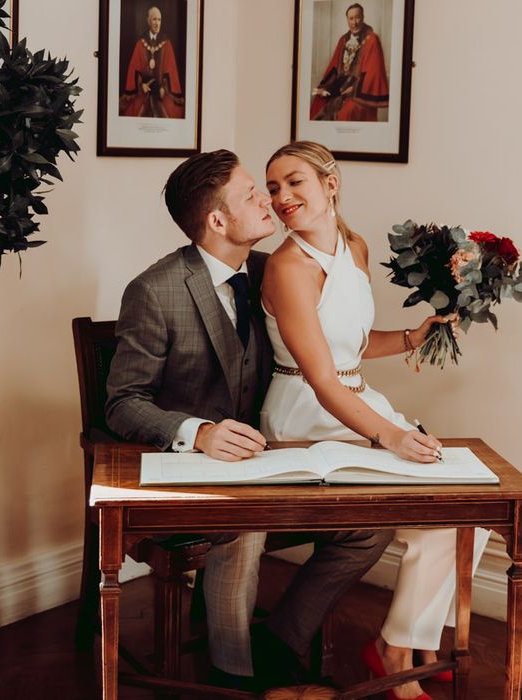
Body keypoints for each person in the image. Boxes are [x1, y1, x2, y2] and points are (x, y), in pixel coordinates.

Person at [105, 149, 392, 690]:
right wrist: (199, 433)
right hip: (191, 471)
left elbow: (322, 354)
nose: (271, 200)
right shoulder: (155, 290)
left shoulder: (271, 272)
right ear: (217, 221)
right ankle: (232, 677)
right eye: (252, 194)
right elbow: (122, 403)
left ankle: (280, 639)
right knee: (245, 528)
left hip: (267, 460)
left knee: (371, 524)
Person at [261, 141, 490, 700]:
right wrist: (389, 435)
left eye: (295, 183)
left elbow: (350, 351)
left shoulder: (354, 246)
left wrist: (418, 335)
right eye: (272, 189)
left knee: (469, 516)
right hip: (306, 418)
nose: (283, 197)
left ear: (329, 184)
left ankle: (400, 643)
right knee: (435, 503)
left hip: (358, 400)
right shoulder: (287, 267)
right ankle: (396, 655)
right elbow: (320, 376)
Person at [310, 3, 389, 122]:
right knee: (318, 103)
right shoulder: (343, 40)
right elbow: (334, 68)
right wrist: (326, 88)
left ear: (363, 17)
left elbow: (374, 73)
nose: (354, 22)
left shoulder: (372, 39)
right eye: (351, 18)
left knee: (346, 113)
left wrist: (353, 89)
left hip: (359, 93)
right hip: (340, 88)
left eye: (357, 17)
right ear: (347, 19)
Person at [120, 6, 184, 118]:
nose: (157, 23)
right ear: (148, 21)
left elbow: (171, 70)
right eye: (154, 19)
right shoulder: (140, 43)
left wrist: (164, 88)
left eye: (159, 20)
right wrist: (141, 85)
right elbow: (134, 69)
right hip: (144, 91)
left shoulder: (166, 43)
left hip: (161, 92)